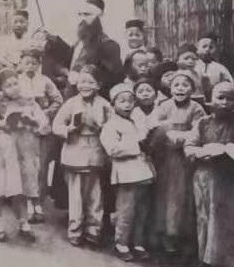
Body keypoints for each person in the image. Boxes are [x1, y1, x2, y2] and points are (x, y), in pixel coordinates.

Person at [184, 82, 234, 267]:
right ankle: (207, 258)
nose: (225, 103)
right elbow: (189, 146)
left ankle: (232, 259)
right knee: (206, 217)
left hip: (231, 179)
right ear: (210, 100)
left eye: (230, 99)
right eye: (220, 97)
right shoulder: (202, 124)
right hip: (206, 177)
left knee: (232, 219)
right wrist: (202, 152)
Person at [0, 68, 50, 243]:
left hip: (24, 148)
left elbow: (44, 123)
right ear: (1, 88)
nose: (13, 88)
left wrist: (33, 122)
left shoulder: (30, 102)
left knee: (22, 186)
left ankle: (23, 222)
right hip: (2, 149)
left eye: (15, 83)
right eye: (8, 85)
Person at [147, 70, 206, 259]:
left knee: (184, 197)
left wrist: (183, 137)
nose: (180, 88)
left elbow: (201, 129)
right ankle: (166, 238)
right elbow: (153, 125)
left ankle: (184, 237)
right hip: (166, 158)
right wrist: (165, 130)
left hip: (186, 158)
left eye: (185, 85)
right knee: (166, 196)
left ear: (192, 89)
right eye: (176, 85)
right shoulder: (164, 106)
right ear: (170, 89)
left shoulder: (196, 108)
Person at [52, 65, 112, 246]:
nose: (85, 86)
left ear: (99, 85)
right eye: (82, 82)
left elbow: (113, 127)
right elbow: (57, 125)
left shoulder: (105, 105)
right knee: (75, 196)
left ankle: (93, 229)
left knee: (95, 195)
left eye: (90, 82)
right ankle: (75, 230)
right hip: (74, 151)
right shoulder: (71, 103)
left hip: (95, 151)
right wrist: (68, 129)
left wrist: (102, 128)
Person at [100, 83, 155, 262]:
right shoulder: (110, 125)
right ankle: (121, 243)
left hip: (143, 173)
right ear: (113, 104)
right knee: (126, 210)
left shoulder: (136, 121)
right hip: (125, 174)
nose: (127, 105)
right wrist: (137, 145)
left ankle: (138, 242)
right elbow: (113, 149)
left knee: (143, 209)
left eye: (130, 101)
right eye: (122, 101)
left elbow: (145, 139)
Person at [17, 48, 64, 224]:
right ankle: (28, 202)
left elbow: (58, 100)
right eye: (26, 62)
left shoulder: (45, 81)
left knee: (41, 166)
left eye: (34, 63)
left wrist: (45, 112)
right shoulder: (16, 81)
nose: (30, 66)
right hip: (24, 128)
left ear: (39, 64)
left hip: (43, 128)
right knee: (26, 165)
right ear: (20, 63)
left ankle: (39, 202)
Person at [68, 0, 123, 100]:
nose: (82, 18)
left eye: (87, 14)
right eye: (80, 14)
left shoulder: (109, 46)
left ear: (100, 17)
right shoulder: (78, 43)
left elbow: (113, 80)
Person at [30, 27, 71, 93]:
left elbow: (67, 50)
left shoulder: (51, 59)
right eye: (36, 39)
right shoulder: (27, 57)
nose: (39, 43)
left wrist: (59, 80)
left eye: (43, 39)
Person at [195, 34, 234, 101]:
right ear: (197, 50)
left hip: (215, 100)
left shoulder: (220, 68)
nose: (207, 49)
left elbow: (230, 83)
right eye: (204, 46)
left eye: (211, 47)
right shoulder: (194, 66)